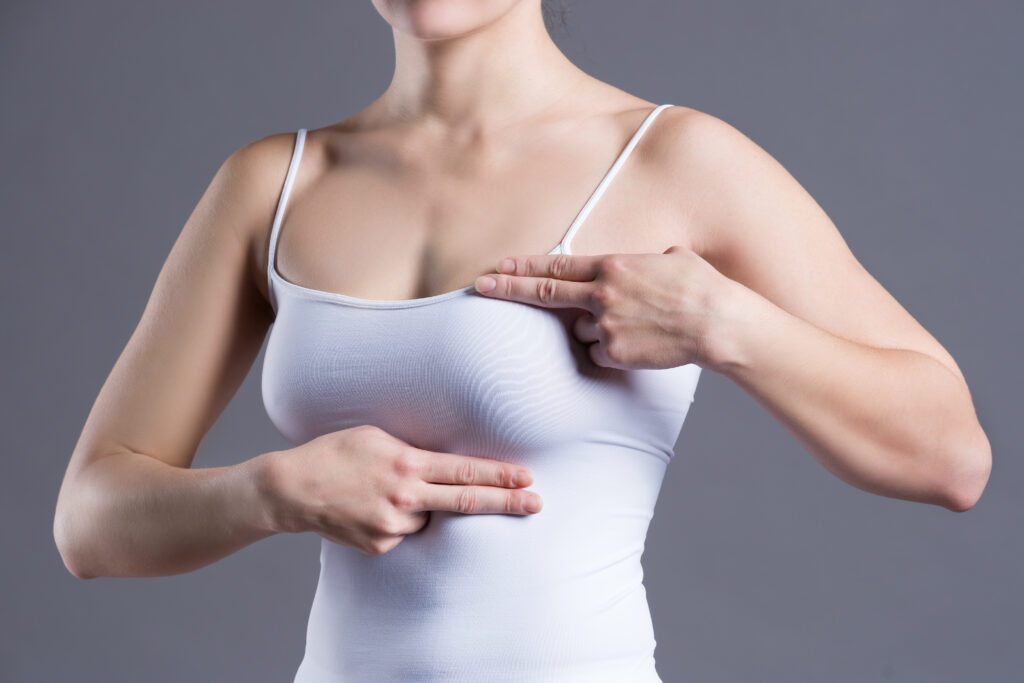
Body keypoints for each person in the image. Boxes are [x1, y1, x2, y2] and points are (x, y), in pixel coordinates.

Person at [53, 1, 992, 681]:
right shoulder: (276, 181)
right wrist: (271, 491)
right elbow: (90, 520)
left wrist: (725, 324)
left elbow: (953, 456)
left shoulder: (675, 160)